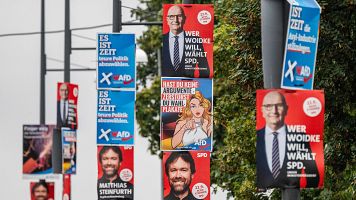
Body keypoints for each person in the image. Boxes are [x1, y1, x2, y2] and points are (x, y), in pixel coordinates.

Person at [256, 91, 320, 189]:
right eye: (268, 106)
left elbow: (313, 175)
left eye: (279, 105)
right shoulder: (258, 137)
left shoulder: (299, 137)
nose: (274, 111)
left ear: (286, 109)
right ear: (262, 110)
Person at [162, 5, 210, 78]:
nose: (175, 20)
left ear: (184, 19)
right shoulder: (163, 40)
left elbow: (205, 71)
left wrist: (197, 86)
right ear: (167, 20)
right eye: (171, 16)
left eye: (179, 16)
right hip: (168, 87)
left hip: (190, 86)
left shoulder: (195, 41)